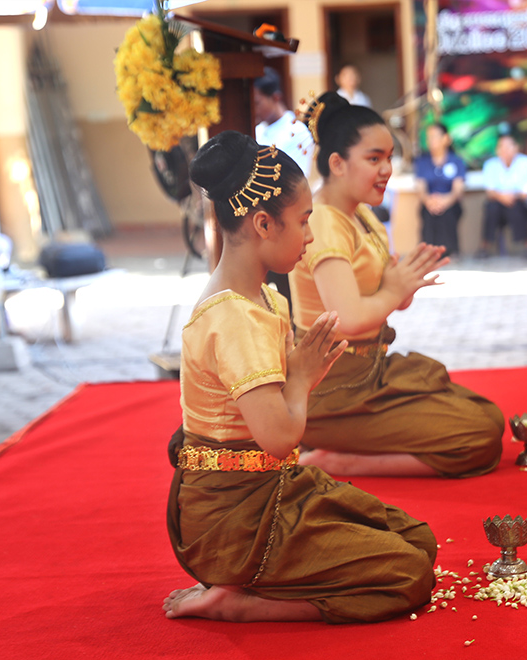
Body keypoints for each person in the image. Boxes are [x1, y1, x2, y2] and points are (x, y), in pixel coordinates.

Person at [164, 131, 437, 624]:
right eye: (305, 221)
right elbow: (280, 437)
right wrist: (304, 377)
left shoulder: (267, 299)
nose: (311, 236)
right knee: (408, 576)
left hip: (273, 490)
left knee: (418, 542)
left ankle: (251, 586)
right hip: (235, 523)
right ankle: (242, 602)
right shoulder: (233, 318)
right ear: (263, 223)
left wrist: (304, 374)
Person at [288, 91, 505, 478]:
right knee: (477, 436)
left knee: (486, 415)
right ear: (337, 163)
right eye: (374, 159)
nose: (387, 169)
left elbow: (384, 297)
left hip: (369, 371)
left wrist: (401, 286)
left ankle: (342, 446)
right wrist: (394, 289)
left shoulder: (362, 215)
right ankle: (342, 461)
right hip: (332, 388)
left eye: (389, 157)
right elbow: (349, 320)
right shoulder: (323, 220)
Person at [479, 133, 527, 257]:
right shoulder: (490, 164)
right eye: (501, 146)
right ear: (497, 149)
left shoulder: (526, 162)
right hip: (498, 203)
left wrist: (511, 196)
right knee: (491, 208)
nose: (504, 150)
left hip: (519, 203)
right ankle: (484, 247)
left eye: (508, 146)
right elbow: (490, 192)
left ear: (516, 148)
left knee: (516, 207)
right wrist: (502, 197)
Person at [414, 123, 466, 259]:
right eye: (428, 137)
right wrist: (429, 201)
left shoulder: (457, 161)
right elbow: (420, 188)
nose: (431, 141)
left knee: (447, 213)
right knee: (428, 214)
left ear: (446, 139)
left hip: (451, 203)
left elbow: (458, 189)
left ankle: (450, 253)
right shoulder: (422, 162)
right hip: (429, 203)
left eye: (435, 137)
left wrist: (445, 201)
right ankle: (427, 254)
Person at [253, 67, 314, 178]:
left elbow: (296, 181)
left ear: (275, 98)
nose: (253, 109)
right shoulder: (257, 130)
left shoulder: (297, 132)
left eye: (257, 103)